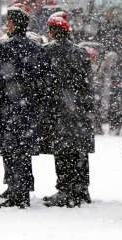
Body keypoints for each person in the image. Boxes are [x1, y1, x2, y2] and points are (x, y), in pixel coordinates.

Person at [0, 5, 52, 209]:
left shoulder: (3, 48)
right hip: (28, 107)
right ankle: (22, 190)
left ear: (13, 24)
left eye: (8, 21)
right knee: (23, 151)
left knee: (11, 150)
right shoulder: (36, 49)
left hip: (8, 107)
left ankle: (15, 191)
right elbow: (45, 80)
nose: (6, 24)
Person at [39, 16, 95, 207]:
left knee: (62, 152)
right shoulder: (81, 52)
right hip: (78, 110)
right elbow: (88, 83)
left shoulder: (47, 52)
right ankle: (81, 188)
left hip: (58, 110)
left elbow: (43, 83)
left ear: (52, 32)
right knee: (79, 151)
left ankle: (65, 190)